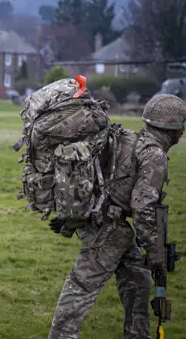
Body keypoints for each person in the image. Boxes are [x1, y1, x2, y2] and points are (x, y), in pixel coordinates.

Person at [47, 93, 186, 339]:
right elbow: (143, 208)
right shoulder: (155, 156)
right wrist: (154, 250)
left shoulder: (130, 139)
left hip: (109, 224)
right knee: (81, 287)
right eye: (182, 125)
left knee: (138, 281)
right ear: (172, 127)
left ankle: (137, 334)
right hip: (108, 229)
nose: (183, 131)